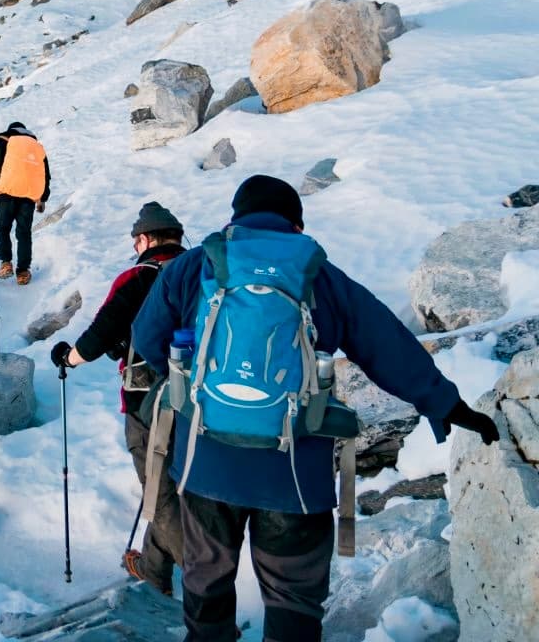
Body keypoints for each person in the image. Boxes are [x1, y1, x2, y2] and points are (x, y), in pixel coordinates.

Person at [131, 175, 500, 641]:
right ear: (296, 225)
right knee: (293, 594)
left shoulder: (195, 266)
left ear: (236, 217)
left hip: (207, 460)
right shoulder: (318, 276)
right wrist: (446, 403)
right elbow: (385, 344)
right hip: (294, 471)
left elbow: (147, 337)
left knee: (207, 574)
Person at [50, 202, 187, 595]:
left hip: (149, 402)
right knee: (176, 487)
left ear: (144, 240)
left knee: (161, 495)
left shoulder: (139, 277)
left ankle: (207, 589)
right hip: (204, 399)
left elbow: (99, 335)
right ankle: (153, 569)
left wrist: (68, 359)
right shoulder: (201, 273)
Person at [0, 122, 51, 285]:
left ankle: (6, 263)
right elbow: (44, 175)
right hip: (28, 197)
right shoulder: (36, 147)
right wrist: (42, 199)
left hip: (4, 194)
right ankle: (23, 271)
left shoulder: (0, 142)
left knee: (3, 229)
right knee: (24, 233)